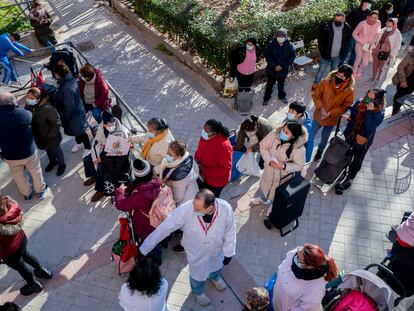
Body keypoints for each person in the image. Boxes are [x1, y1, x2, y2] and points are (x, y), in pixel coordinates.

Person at [138, 189, 236, 306]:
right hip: (196, 250)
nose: (194, 210)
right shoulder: (187, 209)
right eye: (194, 205)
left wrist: (229, 251)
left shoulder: (226, 209)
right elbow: (165, 228)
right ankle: (198, 292)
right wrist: (145, 248)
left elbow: (230, 231)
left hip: (216, 248)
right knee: (197, 274)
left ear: (210, 208)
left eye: (198, 209)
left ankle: (214, 276)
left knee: (216, 265)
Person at [334, 89, 386, 194]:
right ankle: (342, 173)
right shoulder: (359, 102)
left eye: (371, 99)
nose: (367, 100)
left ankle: (350, 178)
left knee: (357, 161)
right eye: (367, 97)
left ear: (378, 101)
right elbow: (350, 109)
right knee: (345, 155)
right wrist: (347, 114)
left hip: (363, 140)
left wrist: (369, 112)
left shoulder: (379, 113)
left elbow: (369, 128)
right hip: (350, 134)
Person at [251, 120, 307, 214]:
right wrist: (269, 161)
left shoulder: (299, 148)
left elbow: (299, 166)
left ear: (293, 136)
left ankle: (273, 206)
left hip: (283, 176)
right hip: (269, 170)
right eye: (283, 129)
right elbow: (263, 146)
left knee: (277, 193)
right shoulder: (274, 134)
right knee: (265, 186)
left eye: (286, 132)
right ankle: (263, 199)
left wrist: (284, 166)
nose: (282, 133)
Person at [0, 92, 47, 202]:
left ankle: (27, 194)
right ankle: (40, 191)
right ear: (12, 102)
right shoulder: (23, 113)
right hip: (28, 152)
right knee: (36, 171)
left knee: (18, 175)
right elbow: (30, 118)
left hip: (10, 155)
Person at [0, 195, 52, 296]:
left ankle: (33, 285)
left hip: (10, 252)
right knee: (26, 254)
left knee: (21, 267)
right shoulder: (9, 204)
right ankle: (42, 271)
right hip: (21, 239)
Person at [115, 159, 163, 264]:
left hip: (146, 225)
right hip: (160, 219)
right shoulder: (158, 183)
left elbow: (121, 204)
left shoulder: (139, 196)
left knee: (151, 243)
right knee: (158, 237)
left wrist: (120, 191)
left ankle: (157, 261)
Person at [272, 244, 338, 311]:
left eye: (298, 261)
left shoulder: (315, 288)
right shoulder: (299, 253)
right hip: (276, 300)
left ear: (310, 267)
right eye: (298, 253)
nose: (295, 258)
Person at [83, 111, 129, 202]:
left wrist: (102, 159)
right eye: (106, 125)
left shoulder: (121, 131)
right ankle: (94, 176)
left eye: (110, 124)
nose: (109, 126)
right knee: (87, 159)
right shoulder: (101, 128)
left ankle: (101, 190)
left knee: (100, 168)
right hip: (104, 151)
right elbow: (96, 143)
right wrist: (95, 157)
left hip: (116, 157)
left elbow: (119, 150)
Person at [312, 65, 355, 161]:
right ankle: (305, 150)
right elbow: (316, 95)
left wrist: (330, 113)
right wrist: (321, 108)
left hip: (332, 119)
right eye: (338, 74)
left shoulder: (349, 91)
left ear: (347, 78)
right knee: (311, 134)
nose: (339, 77)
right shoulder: (326, 82)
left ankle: (320, 151)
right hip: (319, 115)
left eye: (342, 77)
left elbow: (346, 106)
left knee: (324, 138)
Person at [24, 87, 66, 176]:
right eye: (28, 98)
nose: (29, 100)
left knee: (56, 151)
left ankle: (62, 165)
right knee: (48, 151)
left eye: (32, 98)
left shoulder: (47, 108)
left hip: (51, 137)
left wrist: (50, 135)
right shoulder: (31, 106)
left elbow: (57, 123)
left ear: (39, 98)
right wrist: (27, 105)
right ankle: (52, 162)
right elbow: (27, 115)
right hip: (40, 137)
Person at [53, 63, 90, 155]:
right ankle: (78, 143)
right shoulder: (69, 79)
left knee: (80, 131)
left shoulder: (67, 87)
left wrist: (64, 119)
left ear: (58, 74)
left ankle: (88, 148)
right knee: (76, 130)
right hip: (76, 112)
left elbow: (68, 106)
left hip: (73, 114)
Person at [312, 12, 352, 88]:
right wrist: (322, 52)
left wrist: (344, 53)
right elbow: (320, 41)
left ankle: (329, 84)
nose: (338, 21)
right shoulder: (327, 27)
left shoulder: (347, 28)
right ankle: (316, 83)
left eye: (340, 20)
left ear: (344, 19)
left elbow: (347, 41)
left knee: (333, 72)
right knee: (321, 71)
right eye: (336, 20)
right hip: (325, 54)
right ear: (334, 18)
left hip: (337, 55)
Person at [194, 119, 233, 198]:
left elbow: (225, 169)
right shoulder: (205, 137)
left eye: (206, 131)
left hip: (216, 182)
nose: (203, 132)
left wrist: (205, 171)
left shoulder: (224, 147)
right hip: (205, 176)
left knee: (211, 199)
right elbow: (199, 149)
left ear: (214, 133)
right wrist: (196, 159)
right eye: (203, 129)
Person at [159, 140, 199, 206]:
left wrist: (166, 186)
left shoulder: (179, 179)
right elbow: (197, 170)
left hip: (186, 202)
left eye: (170, 154)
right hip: (193, 189)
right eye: (167, 152)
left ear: (179, 157)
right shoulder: (187, 157)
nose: (167, 155)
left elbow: (177, 198)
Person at [263, 28, 295, 105]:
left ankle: (282, 96)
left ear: (286, 37)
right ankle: (266, 98)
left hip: (283, 70)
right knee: (270, 84)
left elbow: (291, 57)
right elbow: (268, 57)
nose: (281, 38)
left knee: (281, 84)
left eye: (282, 36)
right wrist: (274, 66)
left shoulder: (290, 46)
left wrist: (282, 66)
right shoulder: (271, 45)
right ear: (276, 37)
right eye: (279, 36)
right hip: (271, 69)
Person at [352, 11, 381, 79]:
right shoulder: (362, 23)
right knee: (358, 59)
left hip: (369, 46)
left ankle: (359, 71)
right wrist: (362, 42)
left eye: (375, 18)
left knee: (365, 62)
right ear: (368, 16)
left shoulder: (378, 23)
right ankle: (354, 72)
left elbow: (378, 32)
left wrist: (375, 42)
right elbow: (354, 34)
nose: (373, 19)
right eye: (372, 17)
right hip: (360, 44)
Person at [346, 0, 372, 65]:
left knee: (356, 49)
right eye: (366, 2)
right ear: (363, 3)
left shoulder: (369, 13)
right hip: (353, 34)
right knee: (348, 48)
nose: (368, 4)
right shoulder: (355, 12)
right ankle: (341, 61)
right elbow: (349, 23)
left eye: (369, 3)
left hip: (362, 35)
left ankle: (351, 62)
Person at [392, 50, 414, 115]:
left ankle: (398, 107)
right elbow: (400, 67)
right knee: (399, 96)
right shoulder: (410, 56)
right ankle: (395, 111)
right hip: (404, 80)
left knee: (404, 96)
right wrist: (403, 81)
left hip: (412, 85)